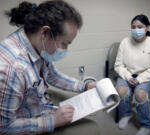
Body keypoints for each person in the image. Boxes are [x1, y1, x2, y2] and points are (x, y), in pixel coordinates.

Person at [0, 1, 99, 135]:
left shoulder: (35, 41)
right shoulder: (13, 69)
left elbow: (52, 75)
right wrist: (54, 121)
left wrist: (85, 86)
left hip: (41, 105)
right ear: (45, 32)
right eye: (64, 43)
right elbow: (4, 127)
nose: (65, 50)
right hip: (27, 123)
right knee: (92, 129)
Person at [114, 14, 150, 135]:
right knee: (120, 91)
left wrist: (139, 79)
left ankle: (146, 126)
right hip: (127, 74)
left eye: (140, 27)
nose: (136, 30)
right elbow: (118, 65)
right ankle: (126, 114)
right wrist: (129, 77)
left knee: (140, 94)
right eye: (133, 27)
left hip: (144, 76)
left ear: (147, 28)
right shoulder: (125, 42)